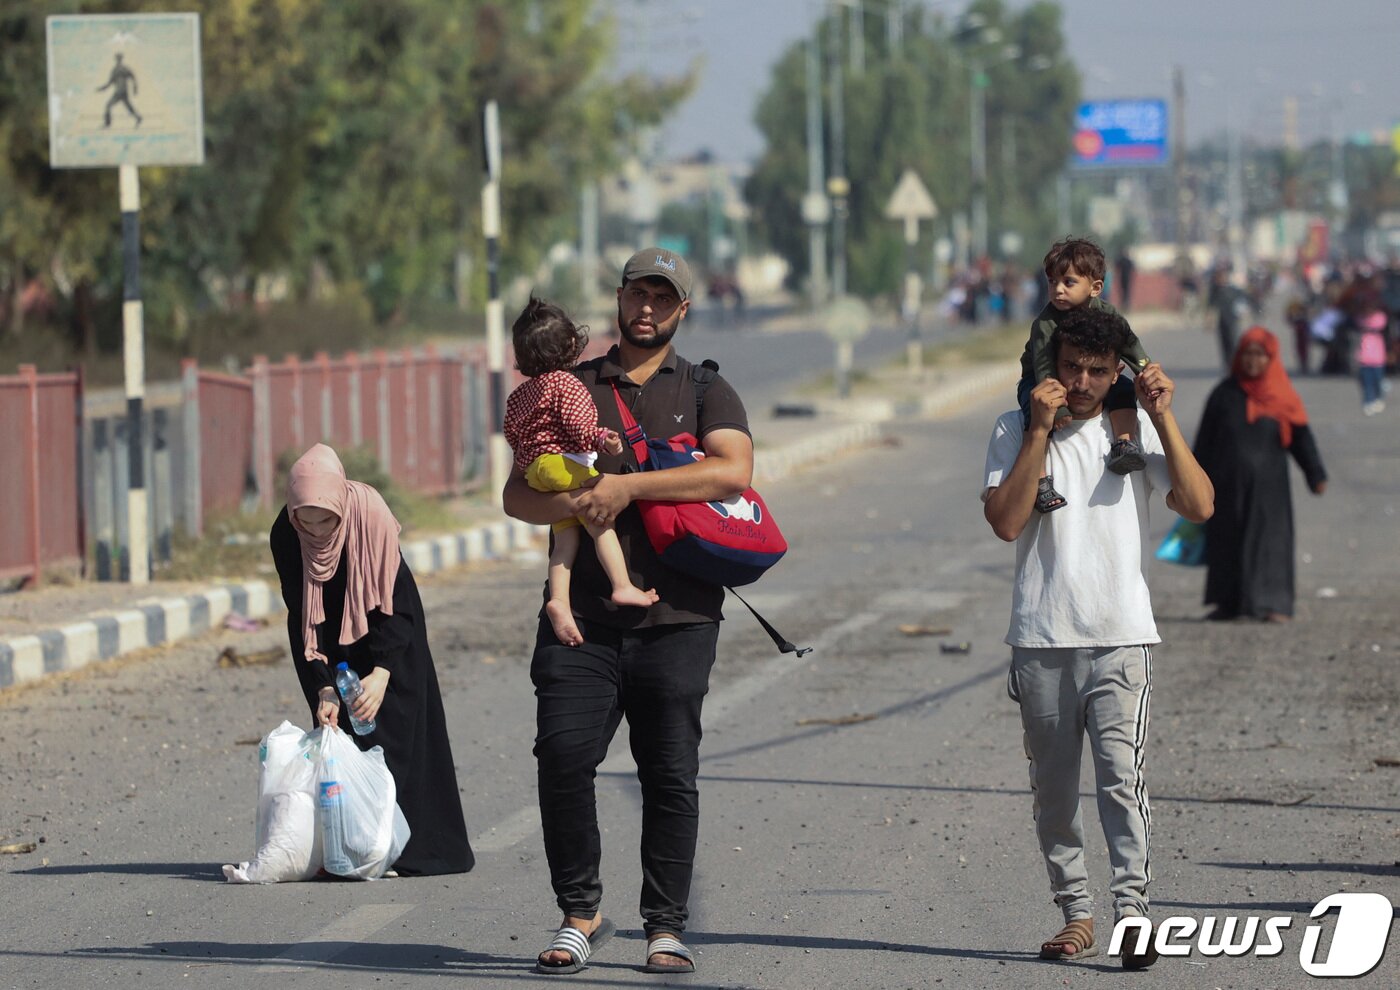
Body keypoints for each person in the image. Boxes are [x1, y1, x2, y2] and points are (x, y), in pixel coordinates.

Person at [503, 247, 753, 976]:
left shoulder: (706, 389)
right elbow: (517, 496)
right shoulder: (571, 382)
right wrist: (580, 499)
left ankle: (665, 925)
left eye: (660, 296)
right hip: (579, 617)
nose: (645, 307)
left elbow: (733, 470)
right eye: (635, 293)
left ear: (682, 310)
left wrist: (628, 489)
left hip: (679, 615)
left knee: (668, 772)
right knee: (562, 755)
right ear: (617, 301)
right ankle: (579, 913)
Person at [983, 305, 1214, 969]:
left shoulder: (1134, 430)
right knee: (1053, 791)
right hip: (1041, 638)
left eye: (1097, 371)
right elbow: (1004, 523)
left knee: (1121, 780)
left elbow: (1199, 507)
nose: (1081, 382)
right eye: (1070, 369)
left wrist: (1164, 417)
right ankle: (1076, 912)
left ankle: (1134, 912)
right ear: (1051, 368)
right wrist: (1036, 432)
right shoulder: (1013, 428)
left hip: (1121, 638)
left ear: (1117, 372)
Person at [269, 443, 474, 877]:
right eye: (307, 521)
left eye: (327, 519)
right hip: (329, 639)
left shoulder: (371, 516)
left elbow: (394, 601)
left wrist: (382, 672)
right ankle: (358, 847)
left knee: (397, 731)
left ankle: (413, 850)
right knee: (343, 735)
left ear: (342, 503)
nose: (319, 530)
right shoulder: (286, 535)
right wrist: (322, 683)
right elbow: (301, 613)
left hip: (388, 627)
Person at [503, 296, 657, 648]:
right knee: (600, 520)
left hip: (537, 470)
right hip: (563, 463)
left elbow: (512, 434)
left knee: (564, 542)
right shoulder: (567, 384)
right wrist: (605, 440)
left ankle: (558, 600)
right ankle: (622, 585)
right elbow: (579, 426)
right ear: (572, 343)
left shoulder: (520, 395)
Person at [1192, 328, 1327, 623]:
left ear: (1271, 358)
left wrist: (1315, 474)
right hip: (1226, 486)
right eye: (1247, 355)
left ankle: (1272, 603)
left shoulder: (1283, 396)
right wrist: (1189, 480)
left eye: (1260, 355)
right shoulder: (1224, 394)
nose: (1253, 362)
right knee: (1227, 540)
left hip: (1270, 489)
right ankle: (1229, 603)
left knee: (1270, 542)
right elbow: (1204, 441)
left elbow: (1302, 438)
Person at [1017, 237, 1155, 514]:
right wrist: (1059, 409)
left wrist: (1147, 372)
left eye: (1068, 282)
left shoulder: (1107, 314)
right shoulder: (1045, 323)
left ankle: (1125, 443)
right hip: (1041, 378)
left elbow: (1129, 344)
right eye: (1052, 282)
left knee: (1124, 389)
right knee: (1037, 411)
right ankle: (1041, 480)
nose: (1058, 290)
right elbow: (1044, 366)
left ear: (1095, 288)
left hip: (1078, 377)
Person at [1356, 307, 1389, 415]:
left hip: (1378, 359)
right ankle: (1368, 401)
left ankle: (1378, 398)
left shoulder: (1380, 317)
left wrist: (1368, 320)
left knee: (1377, 381)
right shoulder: (1361, 318)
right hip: (1365, 358)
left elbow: (1379, 324)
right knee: (1366, 383)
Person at [97, 53, 142, 128]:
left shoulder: (119, 69)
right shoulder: (121, 69)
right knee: (128, 107)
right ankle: (138, 118)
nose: (118, 60)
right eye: (117, 58)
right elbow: (110, 82)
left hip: (119, 92)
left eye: (118, 58)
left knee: (108, 106)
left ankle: (107, 124)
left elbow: (132, 77)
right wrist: (102, 88)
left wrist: (135, 88)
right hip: (123, 91)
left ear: (119, 59)